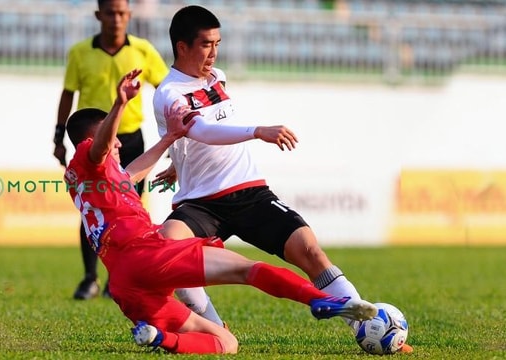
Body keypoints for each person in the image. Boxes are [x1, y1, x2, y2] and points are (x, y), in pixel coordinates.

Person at [151, 5, 413, 354]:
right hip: (200, 203)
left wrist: (178, 162)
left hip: (249, 193)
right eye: (205, 45)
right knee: (169, 254)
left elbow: (201, 133)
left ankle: (366, 324)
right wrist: (257, 131)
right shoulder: (168, 93)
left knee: (310, 251)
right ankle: (215, 332)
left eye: (218, 43)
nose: (214, 53)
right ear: (181, 47)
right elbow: (201, 130)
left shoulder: (218, 76)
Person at [63, 68, 378, 355]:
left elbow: (130, 174)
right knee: (247, 270)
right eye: (112, 134)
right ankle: (319, 299)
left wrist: (170, 138)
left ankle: (158, 338)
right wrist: (119, 106)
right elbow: (101, 146)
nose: (117, 142)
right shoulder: (90, 157)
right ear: (91, 141)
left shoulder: (87, 180)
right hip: (146, 255)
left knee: (226, 343)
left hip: (125, 284)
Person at [52, 0, 169, 300]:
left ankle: (119, 276)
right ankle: (90, 277)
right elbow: (68, 93)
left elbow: (166, 89)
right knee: (93, 208)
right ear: (98, 15)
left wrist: (172, 134)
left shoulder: (142, 50)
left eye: (121, 13)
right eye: (110, 12)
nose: (116, 19)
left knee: (130, 207)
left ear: (129, 15)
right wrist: (58, 136)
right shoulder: (80, 52)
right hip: (91, 142)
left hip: (128, 140)